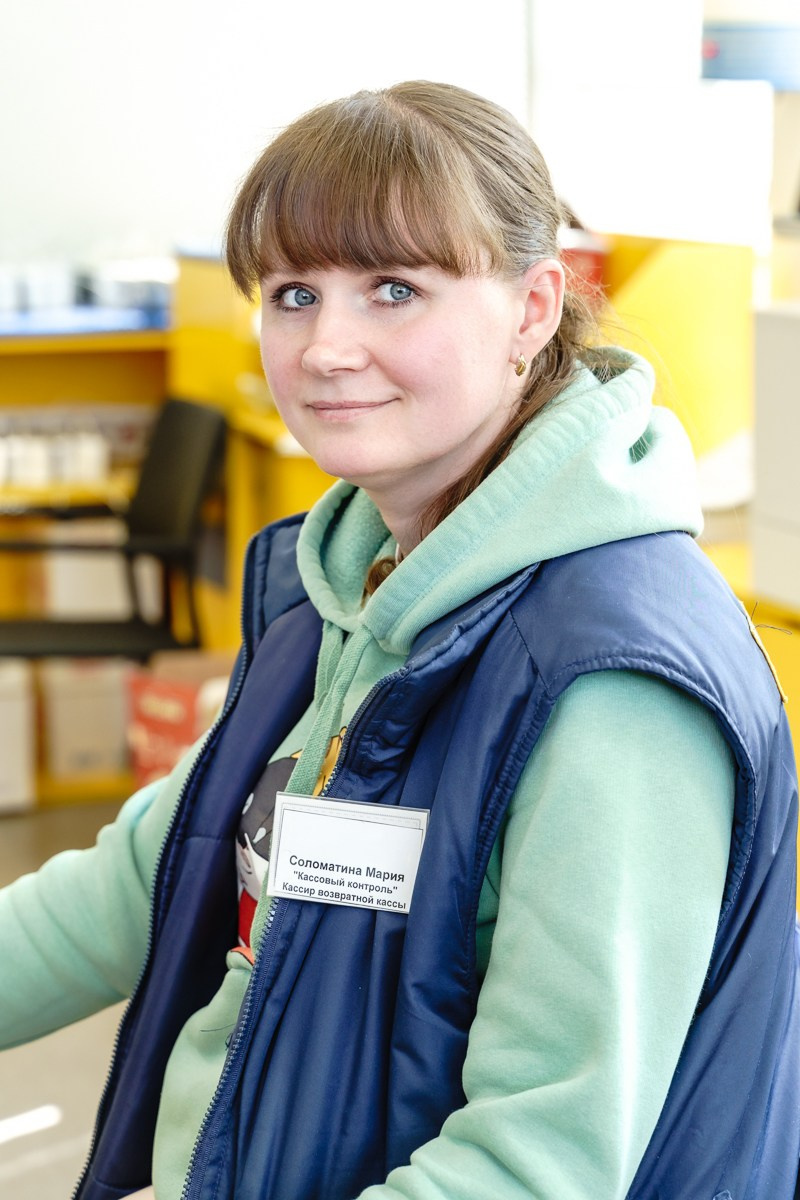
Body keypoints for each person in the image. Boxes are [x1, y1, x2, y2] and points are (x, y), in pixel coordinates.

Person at [1, 80, 798, 1200]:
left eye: (391, 290)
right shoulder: (345, 590)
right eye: (290, 293)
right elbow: (139, 879)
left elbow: (537, 1162)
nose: (325, 348)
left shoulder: (609, 682)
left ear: (532, 308)